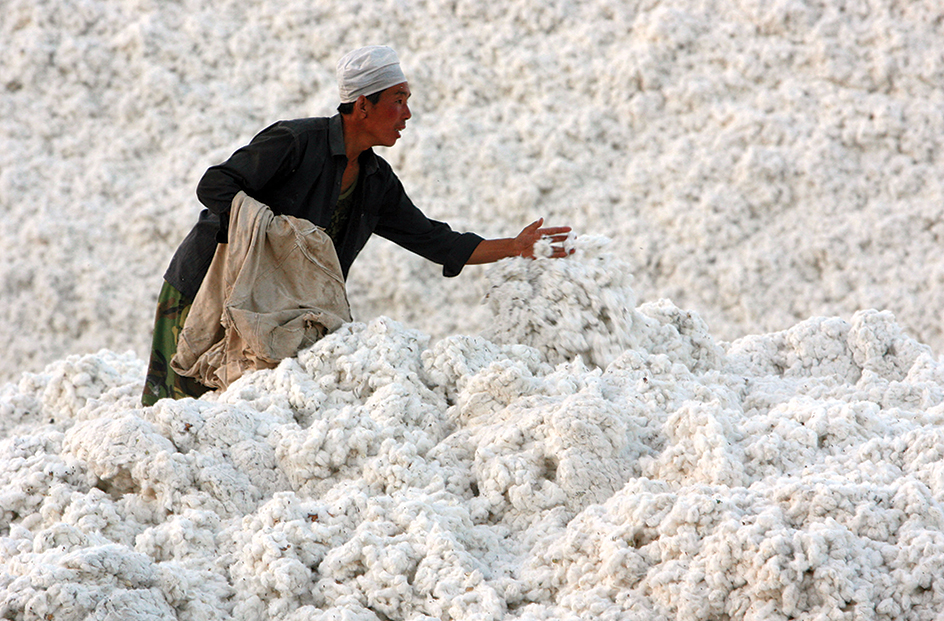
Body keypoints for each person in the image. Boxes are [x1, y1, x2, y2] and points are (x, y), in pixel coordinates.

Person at [141, 45, 572, 406]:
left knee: (243, 410)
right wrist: (271, 232)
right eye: (398, 100)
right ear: (363, 105)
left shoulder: (375, 182)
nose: (407, 114)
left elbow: (437, 242)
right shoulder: (294, 142)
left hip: (275, 313)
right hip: (206, 288)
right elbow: (215, 184)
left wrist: (515, 246)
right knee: (178, 410)